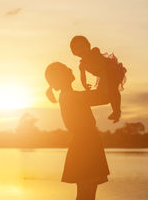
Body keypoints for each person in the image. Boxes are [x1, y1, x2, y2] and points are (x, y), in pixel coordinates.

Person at [45, 62, 110, 200]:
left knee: (87, 194)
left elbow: (103, 96)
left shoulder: (70, 95)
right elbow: (104, 97)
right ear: (61, 78)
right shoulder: (70, 96)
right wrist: (104, 71)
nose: (70, 69)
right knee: (86, 193)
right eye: (65, 69)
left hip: (87, 142)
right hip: (85, 144)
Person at [69, 35, 127, 123]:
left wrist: (103, 84)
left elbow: (104, 66)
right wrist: (85, 85)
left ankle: (117, 111)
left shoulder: (94, 53)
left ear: (88, 46)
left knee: (113, 91)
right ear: (74, 52)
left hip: (112, 71)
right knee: (110, 91)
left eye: (82, 46)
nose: (81, 50)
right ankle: (116, 112)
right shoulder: (82, 65)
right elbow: (82, 76)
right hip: (104, 75)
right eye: (77, 48)